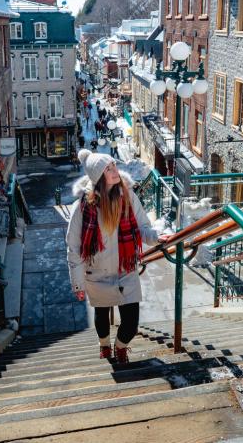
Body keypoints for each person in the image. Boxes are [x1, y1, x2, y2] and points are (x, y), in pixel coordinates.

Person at [66, 150, 166, 363]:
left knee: (131, 323)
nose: (115, 171)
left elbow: (143, 228)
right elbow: (74, 247)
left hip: (125, 270)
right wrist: (78, 284)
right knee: (101, 316)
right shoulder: (83, 207)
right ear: (98, 176)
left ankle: (120, 347)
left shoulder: (128, 196)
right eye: (109, 168)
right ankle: (104, 346)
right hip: (97, 273)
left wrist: (158, 237)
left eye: (114, 166)